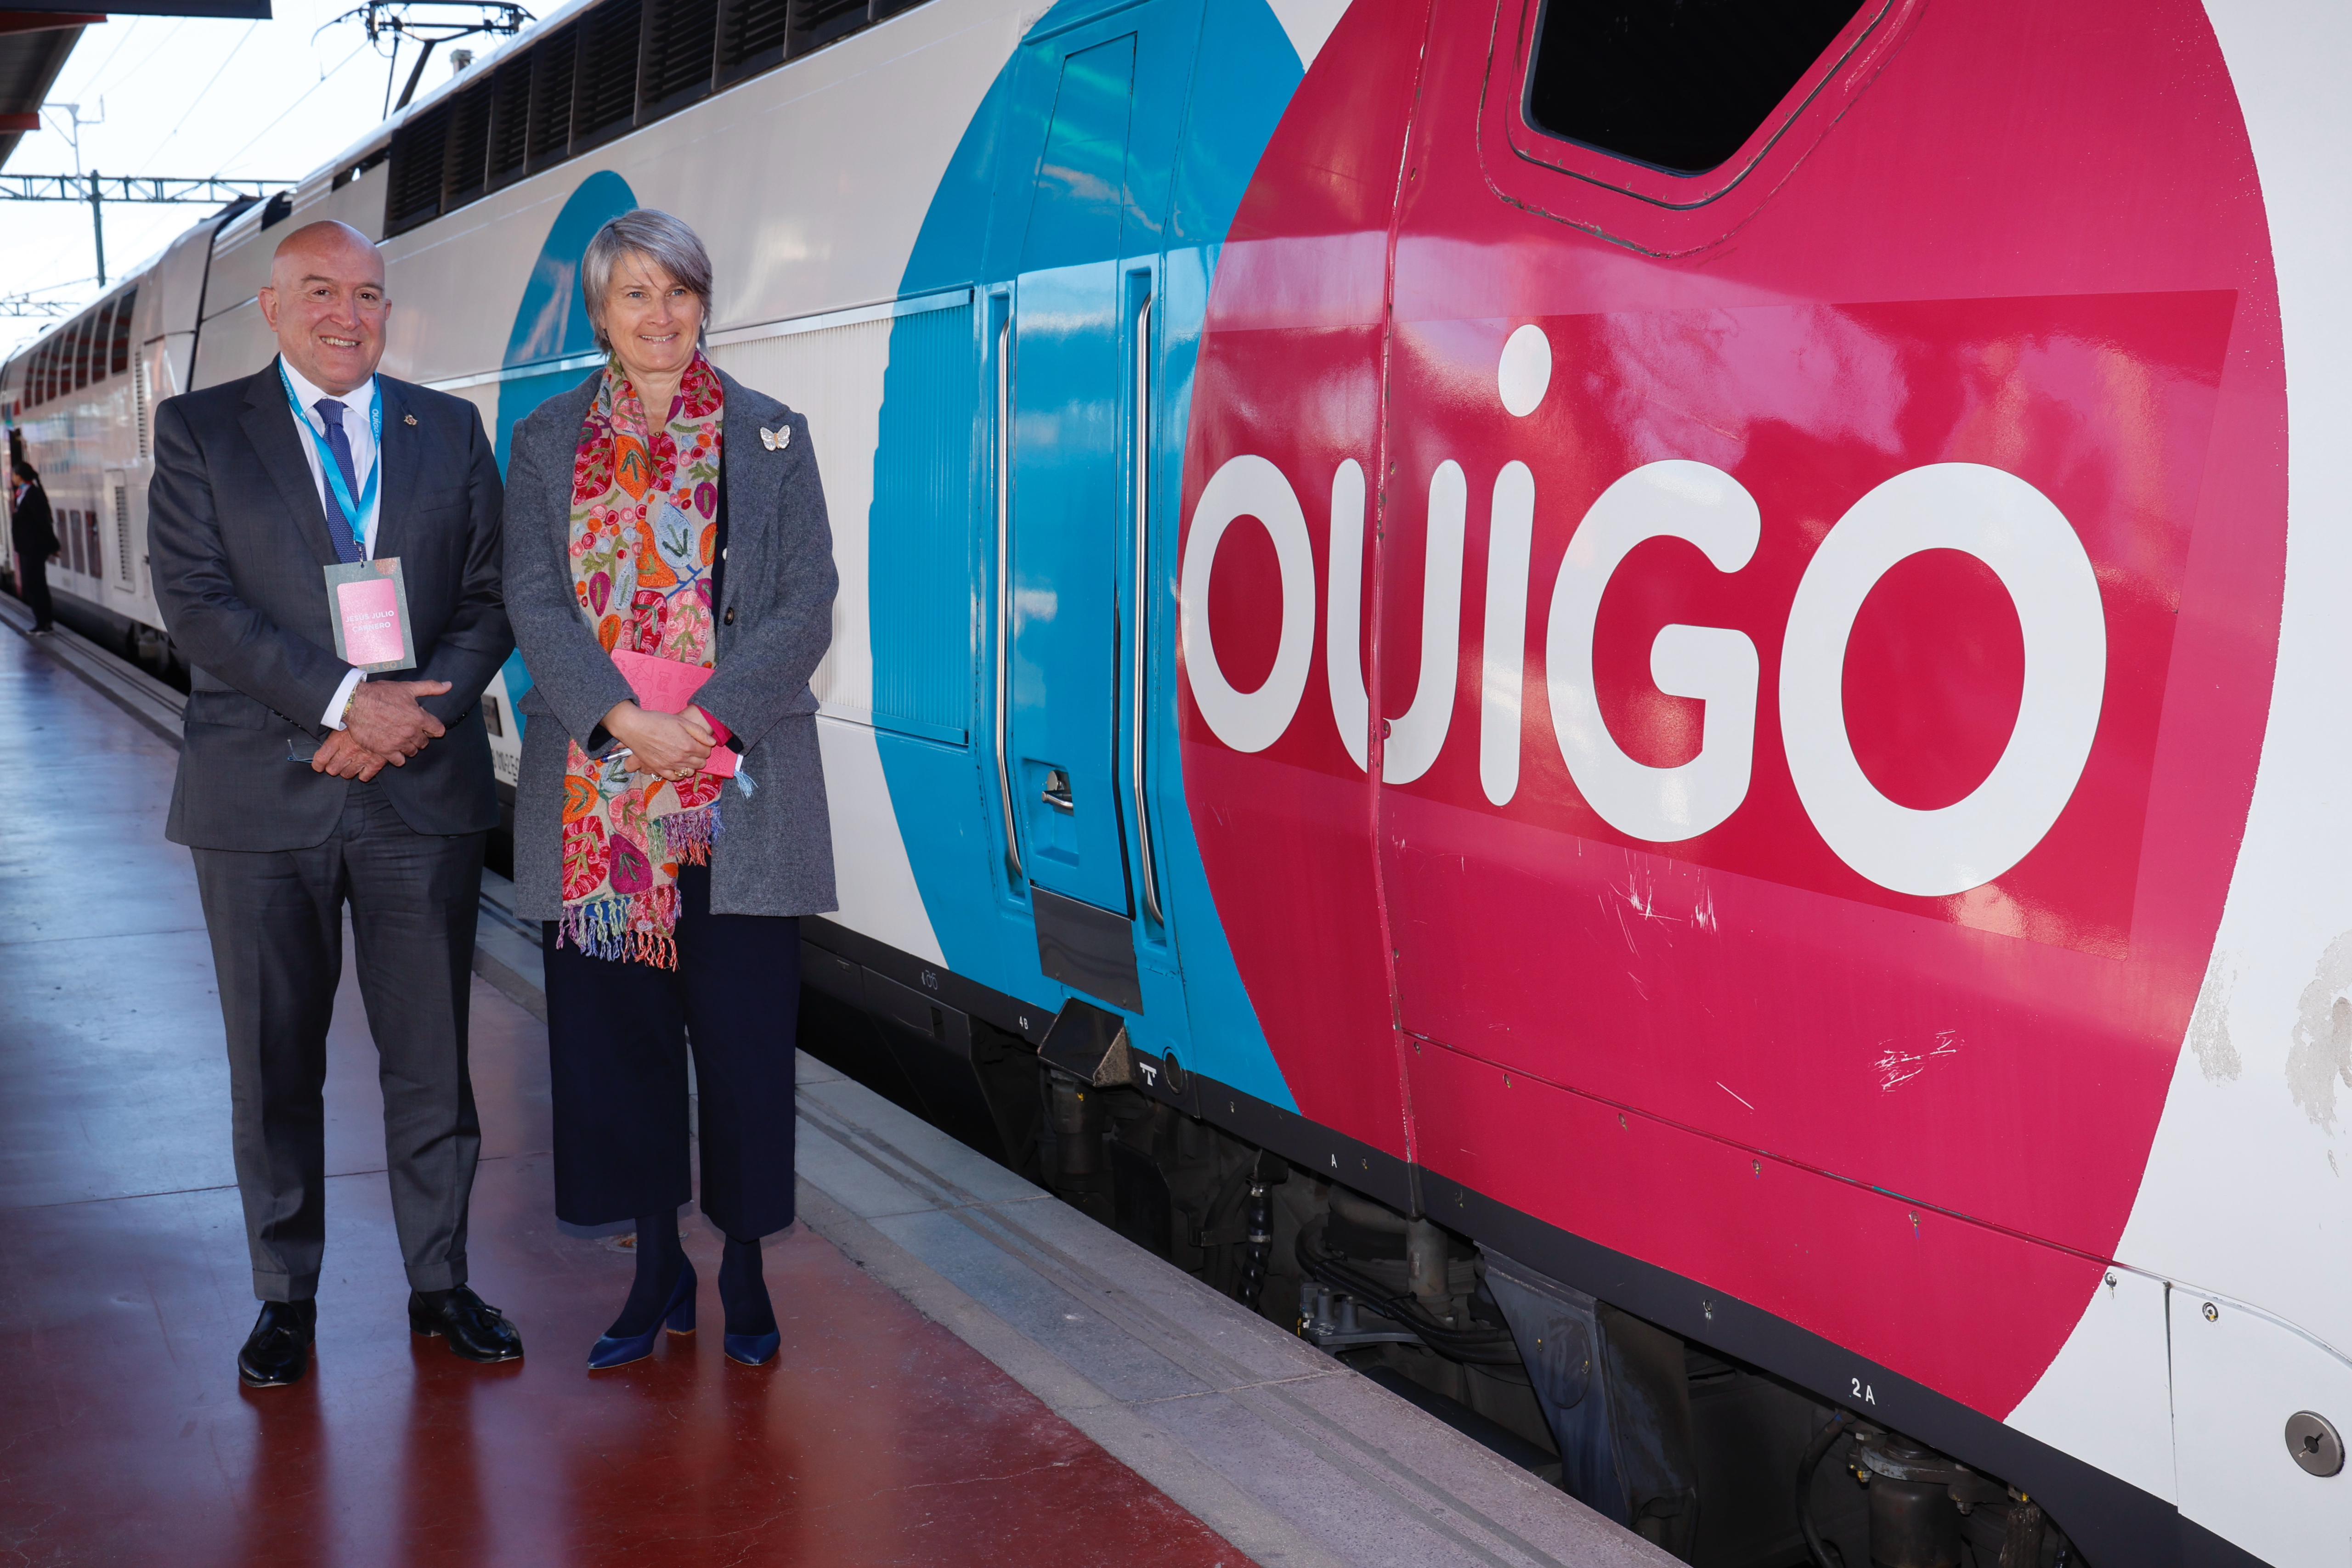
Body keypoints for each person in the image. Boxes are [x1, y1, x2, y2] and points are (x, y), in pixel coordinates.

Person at [147, 219, 523, 1388]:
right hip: (262, 796)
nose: (344, 315)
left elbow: (492, 595)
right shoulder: (201, 429)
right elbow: (197, 604)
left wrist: (414, 713)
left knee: (432, 1057)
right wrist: (350, 705)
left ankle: (441, 1281)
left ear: (387, 311)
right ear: (271, 307)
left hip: (419, 788)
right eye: (318, 291)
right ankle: (284, 1295)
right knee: (273, 1062)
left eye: (365, 294)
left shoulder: (447, 429)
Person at [502, 209, 837, 1371]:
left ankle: (743, 1264)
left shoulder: (772, 434)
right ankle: (657, 1267)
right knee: (618, 1046)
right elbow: (533, 597)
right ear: (600, 313)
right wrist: (623, 719)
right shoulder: (545, 441)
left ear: (704, 304)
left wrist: (709, 720)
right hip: (598, 796)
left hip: (736, 796)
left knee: (745, 1045)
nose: (660, 314)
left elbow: (807, 599)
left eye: (679, 291)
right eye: (635, 294)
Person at [10, 457, 58, 633]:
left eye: (14, 475)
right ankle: (43, 622)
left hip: (34, 549)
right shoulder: (25, 494)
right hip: (28, 549)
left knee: (35, 584)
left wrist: (54, 545)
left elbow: (43, 522)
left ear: (20, 476)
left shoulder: (32, 495)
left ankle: (44, 623)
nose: (12, 478)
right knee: (35, 584)